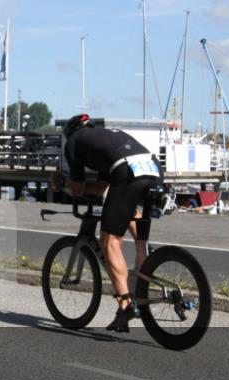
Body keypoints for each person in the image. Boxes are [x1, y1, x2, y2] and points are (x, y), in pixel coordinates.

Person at [49, 114, 164, 333]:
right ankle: (143, 264)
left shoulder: (74, 143)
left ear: (70, 132)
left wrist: (59, 182)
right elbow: (101, 189)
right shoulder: (103, 140)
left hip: (125, 170)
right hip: (153, 167)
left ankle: (125, 305)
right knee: (132, 212)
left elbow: (79, 190)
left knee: (109, 241)